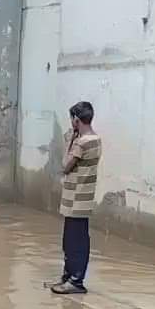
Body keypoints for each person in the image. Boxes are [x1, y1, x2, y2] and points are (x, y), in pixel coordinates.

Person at [51, 101, 102, 295]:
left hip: (76, 199)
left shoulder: (82, 142)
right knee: (74, 239)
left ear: (76, 120)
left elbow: (65, 165)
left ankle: (75, 280)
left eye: (71, 119)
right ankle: (68, 278)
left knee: (74, 242)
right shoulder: (96, 139)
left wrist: (70, 142)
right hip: (82, 197)